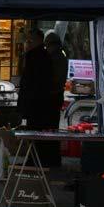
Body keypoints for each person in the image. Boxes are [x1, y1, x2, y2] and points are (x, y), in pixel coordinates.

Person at [17, 28, 57, 167]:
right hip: (42, 100)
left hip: (34, 101)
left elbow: (28, 80)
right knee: (39, 132)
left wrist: (23, 102)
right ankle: (40, 159)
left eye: (30, 40)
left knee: (33, 131)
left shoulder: (33, 55)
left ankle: (34, 160)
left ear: (38, 40)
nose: (27, 43)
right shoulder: (45, 55)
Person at [45, 32, 68, 166]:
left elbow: (54, 79)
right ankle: (53, 157)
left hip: (53, 96)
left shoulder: (56, 58)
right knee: (53, 127)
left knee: (50, 128)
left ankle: (52, 158)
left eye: (47, 45)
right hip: (56, 95)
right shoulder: (61, 56)